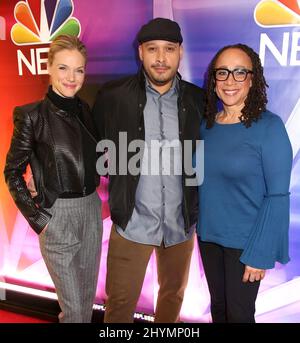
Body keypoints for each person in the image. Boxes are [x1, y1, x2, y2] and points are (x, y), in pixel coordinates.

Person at [92, 17, 204, 323]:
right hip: (132, 223)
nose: (161, 58)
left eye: (169, 49)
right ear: (140, 52)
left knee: (173, 299)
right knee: (120, 305)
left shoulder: (197, 99)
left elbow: (206, 154)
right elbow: (90, 145)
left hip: (180, 226)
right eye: (152, 49)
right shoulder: (114, 97)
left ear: (180, 52)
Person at [4, 35, 102, 323]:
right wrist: (39, 218)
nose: (71, 78)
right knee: (73, 311)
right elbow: (12, 172)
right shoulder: (31, 115)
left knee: (85, 306)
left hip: (91, 211)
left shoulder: (86, 110)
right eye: (63, 68)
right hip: (57, 215)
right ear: (48, 67)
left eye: (79, 70)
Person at [196, 43, 293, 323]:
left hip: (246, 244)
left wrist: (260, 254)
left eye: (240, 72)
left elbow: (277, 196)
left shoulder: (269, 127)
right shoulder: (206, 126)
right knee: (219, 310)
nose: (230, 81)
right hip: (209, 238)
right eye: (223, 73)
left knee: (239, 316)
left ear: (252, 79)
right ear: (213, 80)